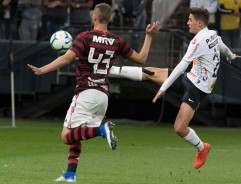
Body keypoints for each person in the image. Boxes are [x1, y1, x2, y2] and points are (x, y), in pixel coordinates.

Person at [27, 3, 160, 182]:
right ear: (110, 19)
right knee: (78, 132)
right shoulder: (116, 40)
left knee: (67, 136)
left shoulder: (85, 37)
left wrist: (43, 70)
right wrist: (149, 36)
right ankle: (70, 174)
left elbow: (67, 58)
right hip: (103, 95)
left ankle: (102, 130)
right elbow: (141, 59)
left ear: (94, 17)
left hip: (86, 92)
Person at [110, 7, 240, 169]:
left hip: (198, 89)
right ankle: (110, 70)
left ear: (199, 24)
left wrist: (163, 88)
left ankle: (202, 148)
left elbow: (180, 66)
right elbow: (222, 46)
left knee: (179, 128)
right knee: (150, 71)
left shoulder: (197, 41)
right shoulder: (212, 34)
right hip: (190, 77)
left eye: (190, 20)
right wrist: (231, 56)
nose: (187, 23)